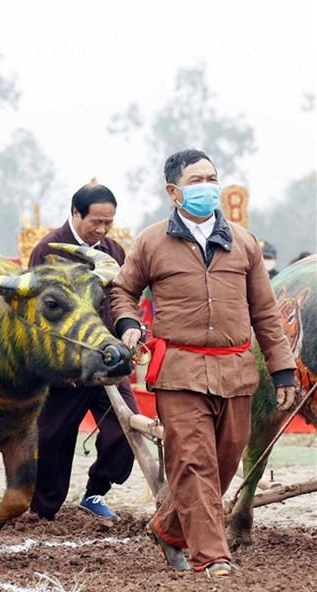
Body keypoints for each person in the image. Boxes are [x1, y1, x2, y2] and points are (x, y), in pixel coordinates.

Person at [110, 149, 296, 577]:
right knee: (195, 463)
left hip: (236, 372)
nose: (207, 187)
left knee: (225, 462)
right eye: (197, 180)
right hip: (180, 370)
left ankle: (167, 527)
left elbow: (266, 312)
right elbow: (122, 291)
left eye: (212, 177)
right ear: (174, 191)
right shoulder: (151, 242)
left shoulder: (244, 242)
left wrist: (281, 368)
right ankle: (212, 557)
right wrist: (128, 323)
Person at [27, 183, 139, 521]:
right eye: (97, 222)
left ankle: (95, 492)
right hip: (66, 367)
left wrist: (127, 328)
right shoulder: (48, 250)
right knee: (52, 440)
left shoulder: (114, 251)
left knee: (126, 431)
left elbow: (122, 298)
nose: (103, 230)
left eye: (109, 223)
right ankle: (42, 511)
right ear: (76, 213)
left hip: (109, 360)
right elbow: (38, 311)